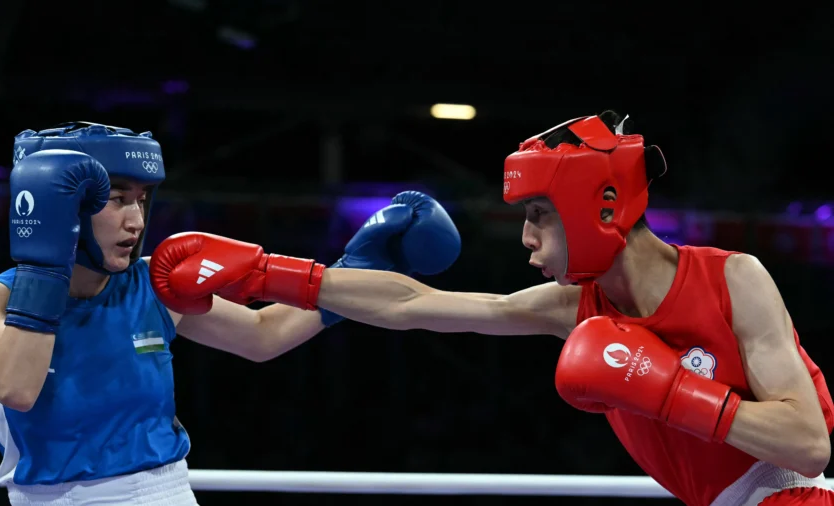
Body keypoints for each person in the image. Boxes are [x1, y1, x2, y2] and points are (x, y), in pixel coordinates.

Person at [151, 111, 834, 506]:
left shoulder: (734, 279)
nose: (527, 240)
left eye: (539, 215)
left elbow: (807, 445)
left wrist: (670, 389)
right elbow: (416, 304)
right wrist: (273, 273)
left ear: (599, 207)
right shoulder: (574, 306)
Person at [0, 121, 462, 505]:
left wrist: (354, 271)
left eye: (143, 200)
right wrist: (45, 264)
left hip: (163, 492)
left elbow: (264, 334)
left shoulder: (153, 283)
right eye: (116, 200)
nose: (135, 220)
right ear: (59, 204)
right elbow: (18, 388)